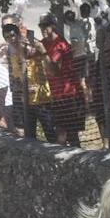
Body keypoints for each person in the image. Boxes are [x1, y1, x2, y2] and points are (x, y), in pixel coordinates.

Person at [39, 14, 84, 146]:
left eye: (45, 26)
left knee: (68, 134)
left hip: (68, 95)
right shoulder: (43, 43)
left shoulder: (60, 44)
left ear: (53, 26)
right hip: (55, 95)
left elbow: (54, 70)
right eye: (41, 26)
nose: (43, 29)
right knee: (60, 132)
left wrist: (43, 52)